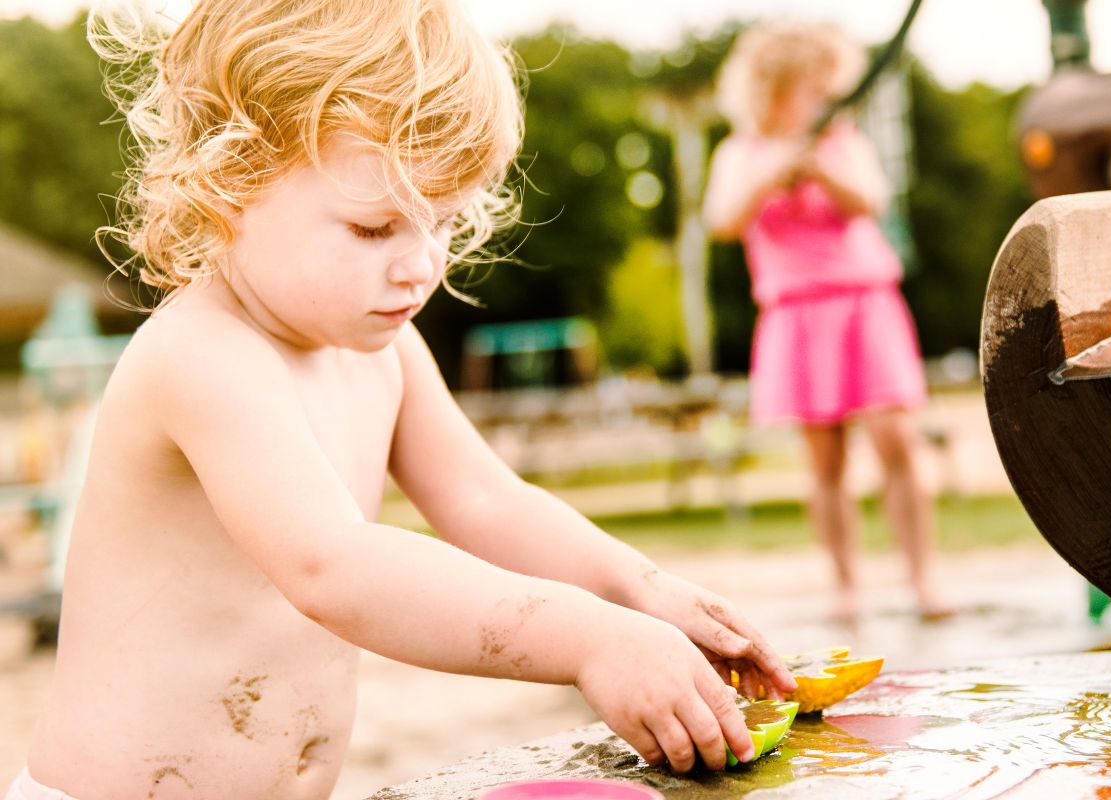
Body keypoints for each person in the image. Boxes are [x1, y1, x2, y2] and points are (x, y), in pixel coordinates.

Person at [13, 1, 796, 797]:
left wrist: (639, 589)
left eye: (442, 223)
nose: (419, 266)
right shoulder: (204, 356)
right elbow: (335, 567)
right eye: (372, 227)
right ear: (227, 185)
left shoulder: (382, 354)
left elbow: (485, 500)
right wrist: (588, 638)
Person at [704, 22, 950, 623]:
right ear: (776, 89)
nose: (827, 99)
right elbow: (723, 221)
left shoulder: (843, 143)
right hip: (797, 314)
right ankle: (846, 586)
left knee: (899, 441)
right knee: (825, 462)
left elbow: (868, 200)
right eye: (813, 89)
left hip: (865, 303)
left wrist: (817, 167)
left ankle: (923, 578)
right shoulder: (739, 153)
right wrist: (774, 172)